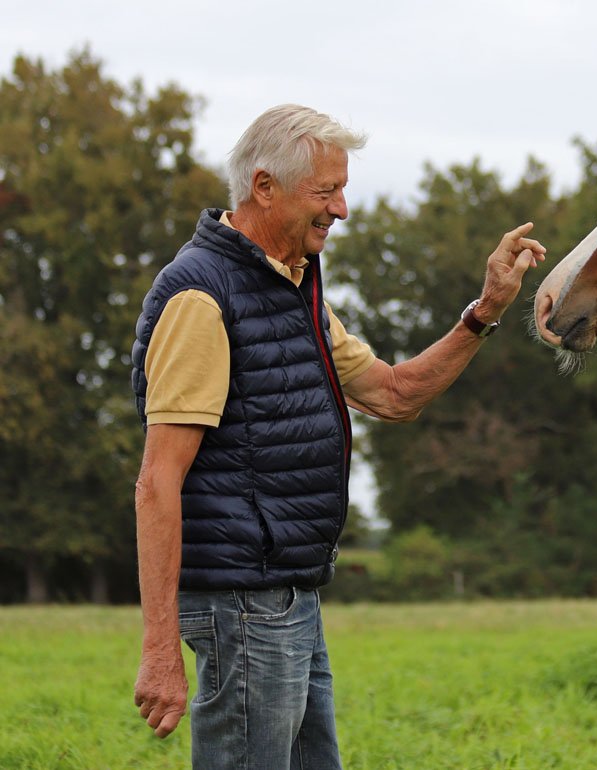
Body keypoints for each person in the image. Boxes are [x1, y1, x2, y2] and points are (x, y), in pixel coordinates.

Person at [130, 104, 545, 769]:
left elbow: (394, 393)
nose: (342, 209)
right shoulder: (202, 299)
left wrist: (486, 309)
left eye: (342, 190)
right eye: (326, 192)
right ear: (265, 187)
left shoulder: (294, 287)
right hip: (245, 603)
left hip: (291, 593)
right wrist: (159, 650)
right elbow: (157, 482)